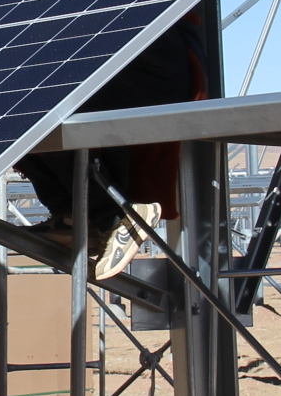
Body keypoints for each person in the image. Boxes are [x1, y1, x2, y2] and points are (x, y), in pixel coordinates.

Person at [17, 18, 209, 278]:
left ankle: (118, 216)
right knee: (3, 104)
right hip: (104, 57)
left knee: (27, 96)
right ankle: (71, 216)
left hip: (148, 59)